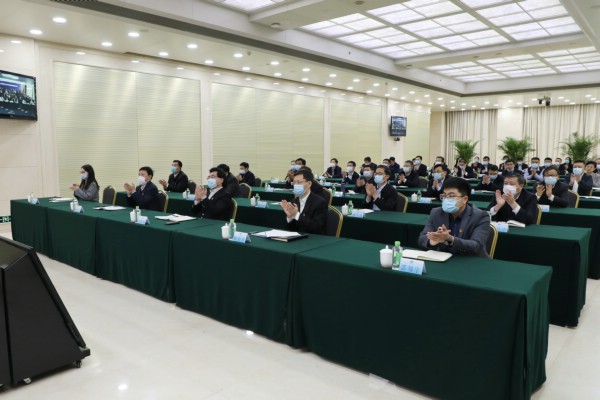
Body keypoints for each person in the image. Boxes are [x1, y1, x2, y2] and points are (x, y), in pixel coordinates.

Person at [417, 177, 490, 258]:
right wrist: (432, 241)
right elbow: (422, 239)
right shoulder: (436, 212)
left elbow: (476, 246)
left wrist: (450, 239)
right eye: (444, 196)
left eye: (451, 196)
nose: (446, 199)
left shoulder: (480, 216)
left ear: (464, 199)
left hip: (471, 260)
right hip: (444, 260)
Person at [281, 169, 328, 235]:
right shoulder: (294, 201)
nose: (296, 185)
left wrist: (296, 215)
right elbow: (290, 229)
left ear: (309, 184)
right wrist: (290, 217)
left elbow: (316, 227)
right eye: (294, 182)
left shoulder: (320, 203)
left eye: (299, 182)